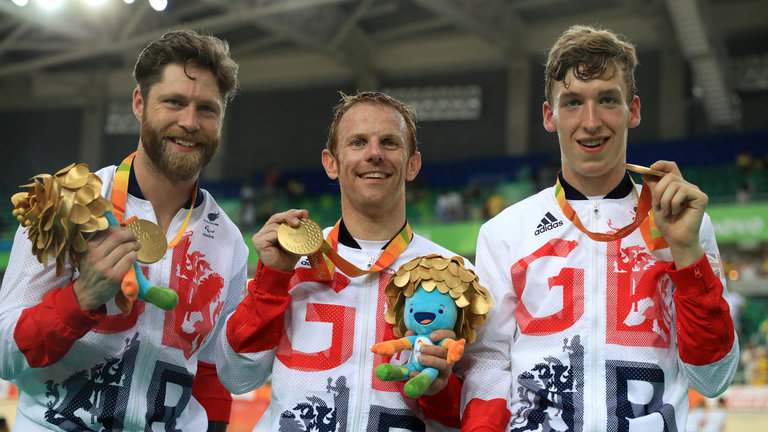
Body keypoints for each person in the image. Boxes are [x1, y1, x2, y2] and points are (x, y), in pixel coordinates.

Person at [461, 25, 739, 431]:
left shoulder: (683, 224)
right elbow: (488, 369)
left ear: (634, 110)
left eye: (607, 99)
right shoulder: (505, 232)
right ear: (549, 116)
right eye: (572, 103)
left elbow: (713, 379)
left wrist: (687, 254)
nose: (590, 122)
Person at [0, 29, 247, 432]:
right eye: (174, 102)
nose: (190, 122)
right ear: (139, 103)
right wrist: (80, 299)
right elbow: (3, 352)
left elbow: (208, 371)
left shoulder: (229, 241)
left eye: (207, 109)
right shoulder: (66, 205)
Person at [216, 91, 467, 430]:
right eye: (358, 142)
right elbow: (236, 376)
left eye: (390, 143)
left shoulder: (452, 274)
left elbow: (466, 409)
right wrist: (271, 281)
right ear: (331, 163)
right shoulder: (292, 261)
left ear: (412, 164)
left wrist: (438, 390)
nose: (374, 154)